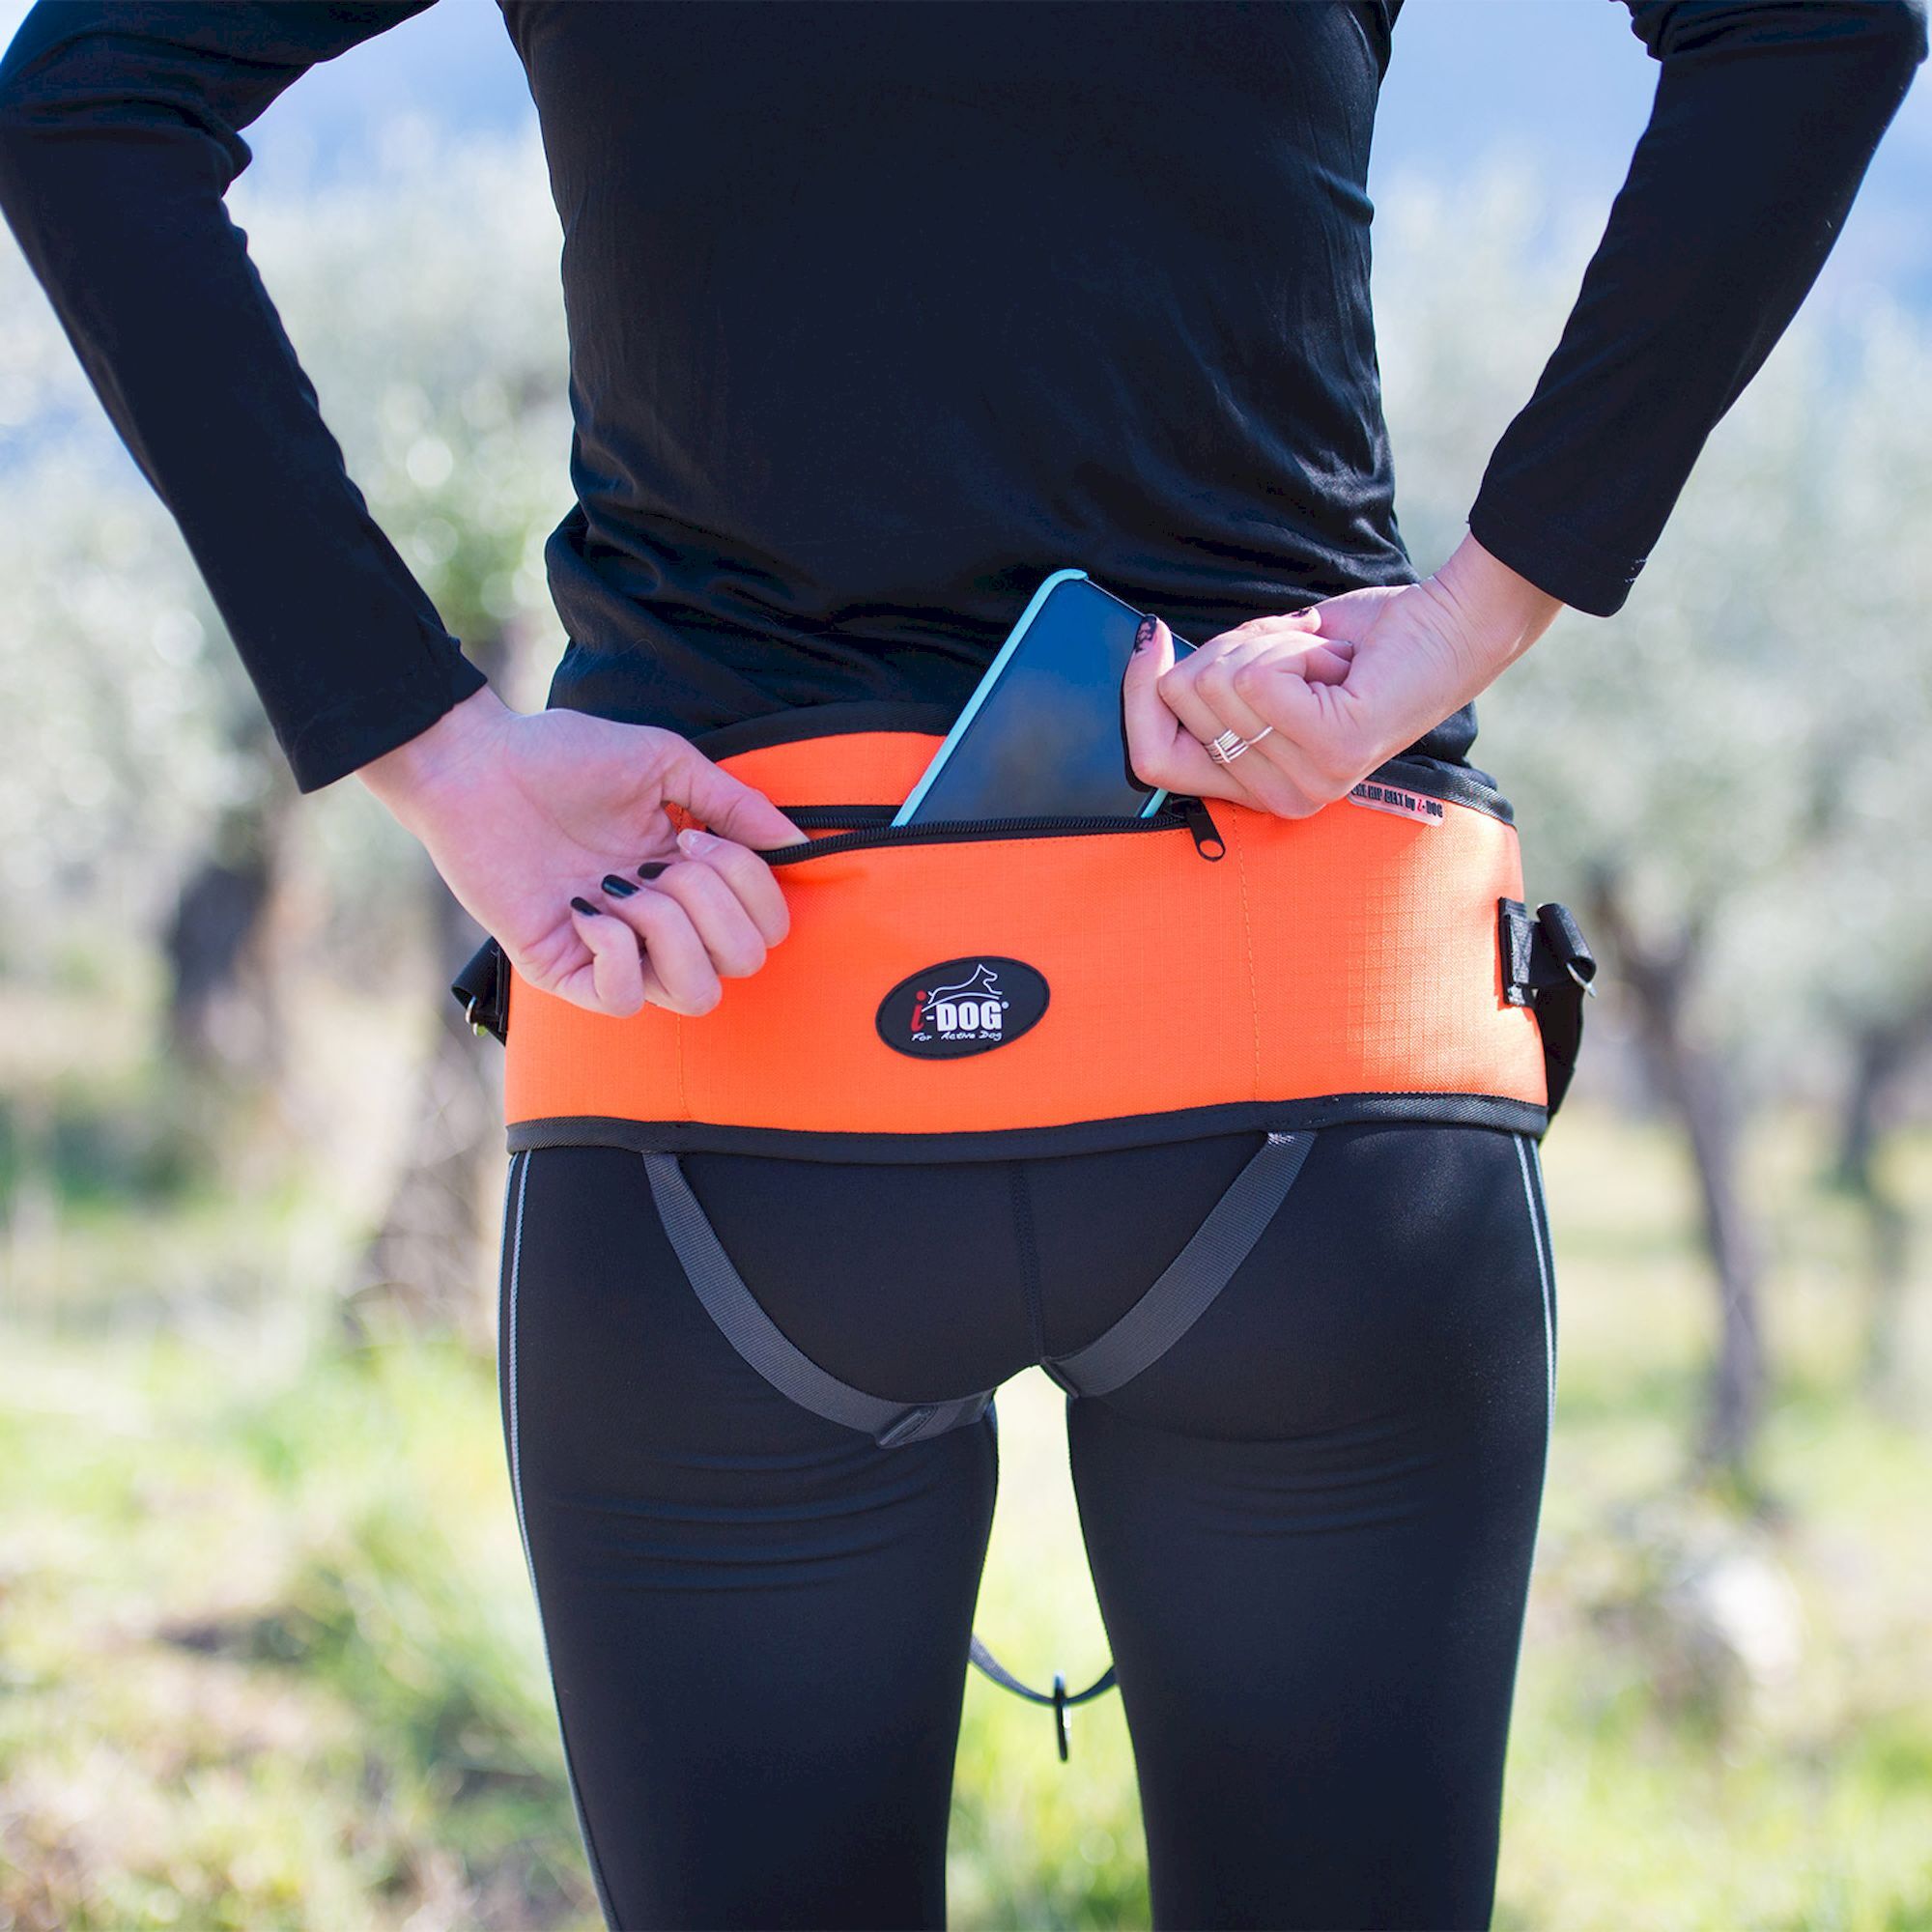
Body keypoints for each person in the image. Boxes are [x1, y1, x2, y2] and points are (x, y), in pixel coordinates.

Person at [0, 3, 1920, 1926]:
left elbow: (88, 104)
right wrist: (1465, 620)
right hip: (1301, 1006)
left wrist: (434, 752)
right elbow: (1814, 26)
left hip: (717, 1013)